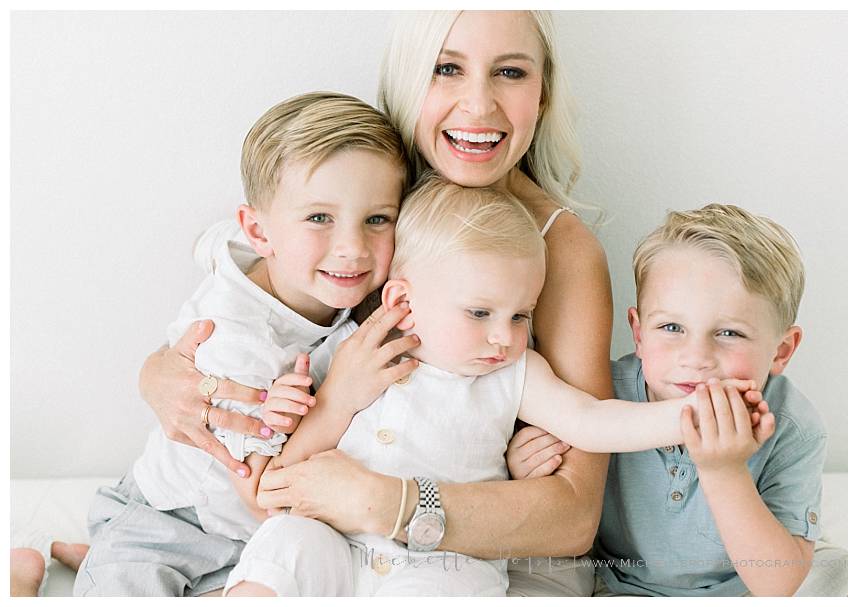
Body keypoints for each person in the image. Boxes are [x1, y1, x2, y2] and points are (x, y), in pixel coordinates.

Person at [139, 11, 615, 597]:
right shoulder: (368, 200)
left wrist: (383, 502)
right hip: (331, 534)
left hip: (470, 557)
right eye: (446, 68)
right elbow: (240, 279)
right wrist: (159, 372)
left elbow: (572, 517)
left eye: (510, 72)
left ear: (542, 94)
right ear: (410, 78)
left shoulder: (562, 250)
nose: (478, 105)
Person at [224, 177, 767, 597]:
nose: (502, 337)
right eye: (480, 312)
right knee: (283, 546)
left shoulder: (515, 373)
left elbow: (591, 420)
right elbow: (282, 468)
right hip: (337, 543)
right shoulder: (356, 355)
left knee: (448, 589)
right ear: (402, 303)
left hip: (443, 557)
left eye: (520, 315)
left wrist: (690, 415)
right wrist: (296, 402)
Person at [71, 92, 411, 596]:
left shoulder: (289, 263)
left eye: (377, 219)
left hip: (255, 539)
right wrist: (340, 395)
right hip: (176, 520)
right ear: (260, 231)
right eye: (319, 218)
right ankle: (24, 573)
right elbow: (261, 496)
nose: (352, 248)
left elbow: (215, 241)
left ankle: (88, 555)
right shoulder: (235, 342)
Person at [508, 204, 848, 597]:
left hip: (747, 586)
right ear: (639, 335)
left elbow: (778, 582)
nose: (696, 357)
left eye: (729, 333)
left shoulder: (792, 425)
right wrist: (525, 468)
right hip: (620, 583)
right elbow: (562, 510)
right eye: (671, 327)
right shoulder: (603, 399)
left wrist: (724, 469)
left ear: (781, 351)